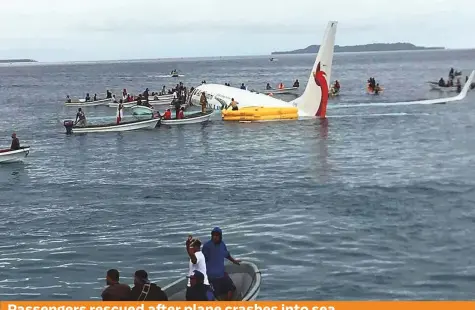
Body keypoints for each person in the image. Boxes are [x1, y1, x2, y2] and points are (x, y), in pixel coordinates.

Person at [202, 227, 240, 301]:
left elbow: (226, 254)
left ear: (220, 236)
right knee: (210, 294)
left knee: (231, 288)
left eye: (217, 235)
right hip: (211, 277)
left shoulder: (222, 244)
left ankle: (227, 303)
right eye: (214, 235)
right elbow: (202, 260)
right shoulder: (207, 246)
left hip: (222, 275)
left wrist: (233, 261)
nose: (215, 237)